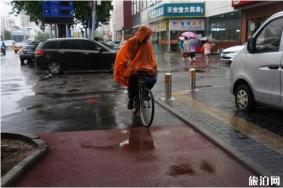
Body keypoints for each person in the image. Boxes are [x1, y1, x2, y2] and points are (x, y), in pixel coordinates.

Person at [113, 26, 157, 110]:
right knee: (132, 81)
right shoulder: (131, 42)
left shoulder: (148, 44)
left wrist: (153, 66)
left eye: (148, 36)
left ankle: (146, 92)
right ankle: (131, 99)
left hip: (145, 68)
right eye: (146, 35)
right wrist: (128, 62)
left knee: (153, 77)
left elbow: (151, 58)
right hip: (133, 66)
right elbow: (125, 53)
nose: (147, 38)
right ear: (142, 34)